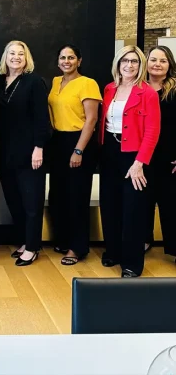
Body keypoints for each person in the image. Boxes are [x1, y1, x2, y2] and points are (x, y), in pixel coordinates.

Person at [99, 46, 160, 278]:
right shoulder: (109, 88)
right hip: (110, 151)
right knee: (110, 204)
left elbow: (153, 130)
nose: (129, 65)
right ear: (118, 63)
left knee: (133, 210)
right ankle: (113, 251)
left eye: (134, 61)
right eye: (125, 60)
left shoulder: (148, 93)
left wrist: (139, 162)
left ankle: (132, 263)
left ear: (140, 64)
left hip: (134, 155)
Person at [0, 40, 49, 267]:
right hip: (4, 151)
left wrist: (39, 148)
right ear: (5, 57)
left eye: (20, 54)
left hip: (29, 151)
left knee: (31, 201)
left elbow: (41, 118)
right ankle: (25, 241)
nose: (16, 57)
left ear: (27, 59)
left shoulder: (34, 82)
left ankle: (33, 246)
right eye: (12, 53)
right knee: (13, 199)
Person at [48, 44, 102, 266]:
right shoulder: (55, 82)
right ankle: (63, 239)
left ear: (79, 61)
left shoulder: (88, 83)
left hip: (80, 142)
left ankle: (77, 247)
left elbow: (91, 120)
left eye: (71, 57)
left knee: (77, 197)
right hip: (58, 141)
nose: (66, 61)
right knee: (58, 195)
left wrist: (78, 150)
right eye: (63, 57)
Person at [144, 46, 176, 258]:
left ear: (170, 65)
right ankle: (144, 240)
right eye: (153, 59)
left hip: (170, 157)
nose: (157, 64)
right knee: (143, 202)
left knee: (171, 205)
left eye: (162, 61)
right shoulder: (139, 89)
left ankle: (174, 249)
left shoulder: (174, 90)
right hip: (143, 155)